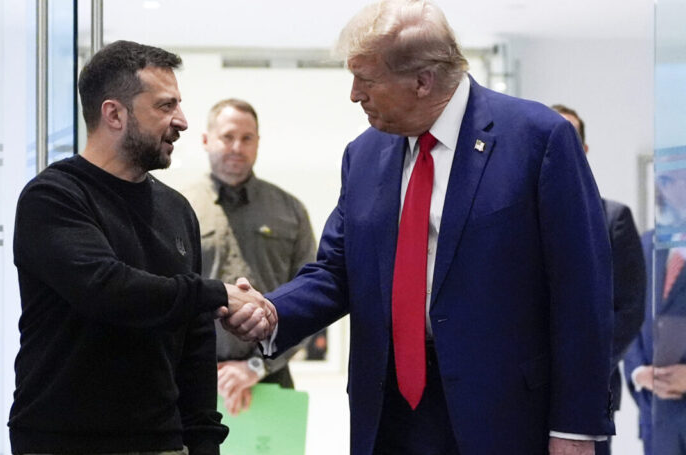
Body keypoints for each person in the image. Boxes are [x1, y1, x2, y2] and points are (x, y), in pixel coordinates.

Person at [244, 1, 615, 453]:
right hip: (390, 415)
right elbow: (337, 271)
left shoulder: (538, 138)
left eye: (366, 79)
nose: (354, 95)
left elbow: (582, 291)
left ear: (423, 81)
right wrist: (272, 311)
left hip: (504, 417)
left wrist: (576, 428)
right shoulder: (363, 155)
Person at [8, 40, 274, 455]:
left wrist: (204, 442)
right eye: (165, 106)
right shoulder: (54, 197)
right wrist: (217, 294)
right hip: (63, 443)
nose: (182, 121)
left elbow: (194, 343)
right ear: (114, 114)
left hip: (162, 442)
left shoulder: (177, 209)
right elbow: (107, 289)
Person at [184, 98, 317, 416]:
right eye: (227, 137)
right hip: (194, 383)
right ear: (206, 140)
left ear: (258, 142)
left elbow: (310, 299)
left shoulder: (290, 210)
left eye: (247, 138)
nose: (237, 147)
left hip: (271, 383)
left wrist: (256, 367)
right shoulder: (179, 208)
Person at [551, 104, 646, 434]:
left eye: (568, 140)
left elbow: (630, 309)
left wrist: (584, 366)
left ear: (584, 149)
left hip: (592, 388)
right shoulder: (516, 218)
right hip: (523, 390)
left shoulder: (614, 219)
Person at [624, 167, 686, 455]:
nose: (674, 188)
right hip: (657, 421)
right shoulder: (646, 244)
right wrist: (638, 372)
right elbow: (627, 316)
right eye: (667, 180)